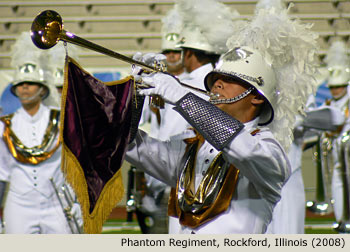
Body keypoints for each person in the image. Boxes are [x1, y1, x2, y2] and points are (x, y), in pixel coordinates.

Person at [125, 1, 318, 233]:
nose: (217, 83)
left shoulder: (271, 150)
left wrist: (182, 98)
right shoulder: (191, 150)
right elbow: (129, 145)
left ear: (256, 97)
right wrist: (133, 96)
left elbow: (242, 149)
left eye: (230, 80)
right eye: (216, 78)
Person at [0, 32, 81, 234]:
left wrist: (80, 200)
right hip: (19, 205)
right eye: (20, 84)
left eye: (30, 83)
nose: (25, 87)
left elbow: (77, 165)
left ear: (43, 89)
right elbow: (2, 174)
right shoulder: (5, 126)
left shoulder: (62, 119)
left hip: (56, 203)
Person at [322, 41, 350, 229]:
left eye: (339, 86)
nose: (336, 90)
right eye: (333, 86)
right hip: (335, 148)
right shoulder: (330, 102)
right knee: (337, 182)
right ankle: (342, 218)